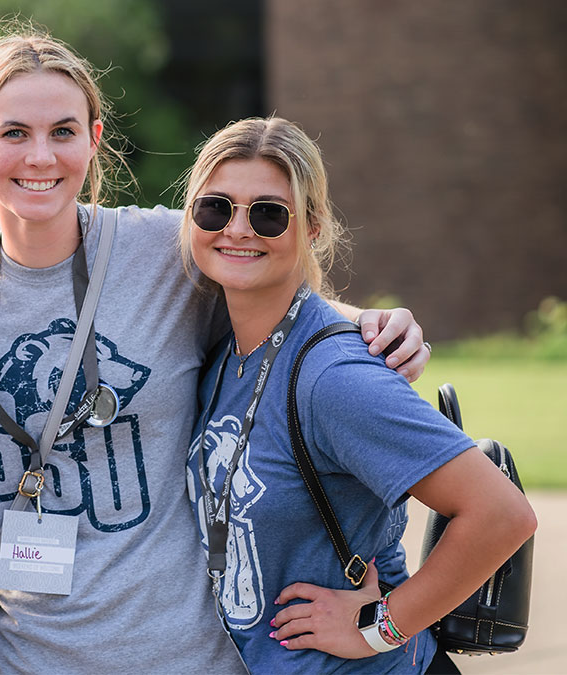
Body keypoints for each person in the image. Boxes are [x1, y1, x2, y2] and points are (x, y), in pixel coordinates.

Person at [0, 26, 431, 673]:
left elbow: (270, 287)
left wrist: (371, 320)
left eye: (63, 131)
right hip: (26, 660)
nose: (40, 156)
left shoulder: (164, 251)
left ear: (93, 141)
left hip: (192, 656)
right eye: (14, 132)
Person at [181, 116, 536, 672]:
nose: (238, 230)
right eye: (216, 207)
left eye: (270, 214)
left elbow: (501, 514)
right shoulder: (227, 351)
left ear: (313, 228)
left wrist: (379, 628)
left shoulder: (333, 375)